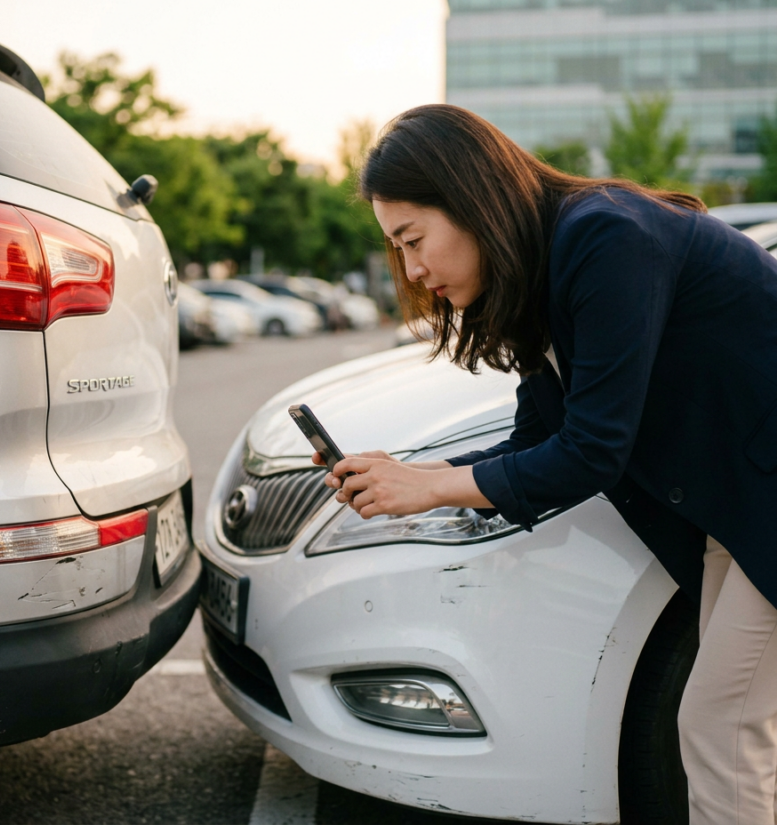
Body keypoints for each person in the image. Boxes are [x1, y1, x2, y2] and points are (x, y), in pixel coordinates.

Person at [314, 104, 777, 823]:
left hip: (759, 494)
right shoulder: (543, 272)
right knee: (727, 724)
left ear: (469, 200)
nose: (411, 268)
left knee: (722, 725)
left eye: (413, 239)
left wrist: (429, 485)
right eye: (396, 249)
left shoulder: (604, 235)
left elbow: (592, 450)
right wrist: (403, 476)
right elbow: (540, 441)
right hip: (744, 503)